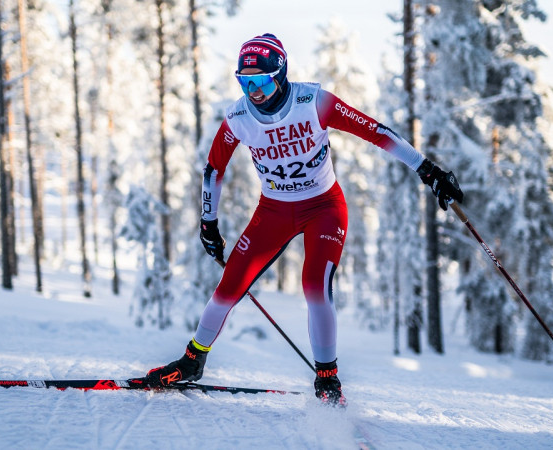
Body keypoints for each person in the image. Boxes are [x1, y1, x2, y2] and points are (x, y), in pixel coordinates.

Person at [135, 33, 463, 406]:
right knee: (229, 284)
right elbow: (214, 170)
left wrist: (428, 170)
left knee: (314, 286)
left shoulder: (313, 101)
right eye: (245, 82)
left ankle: (328, 378)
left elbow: (375, 132)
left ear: (281, 73)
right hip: (273, 211)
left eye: (260, 81)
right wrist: (208, 223)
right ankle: (193, 361)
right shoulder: (239, 117)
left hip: (323, 207)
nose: (253, 91)